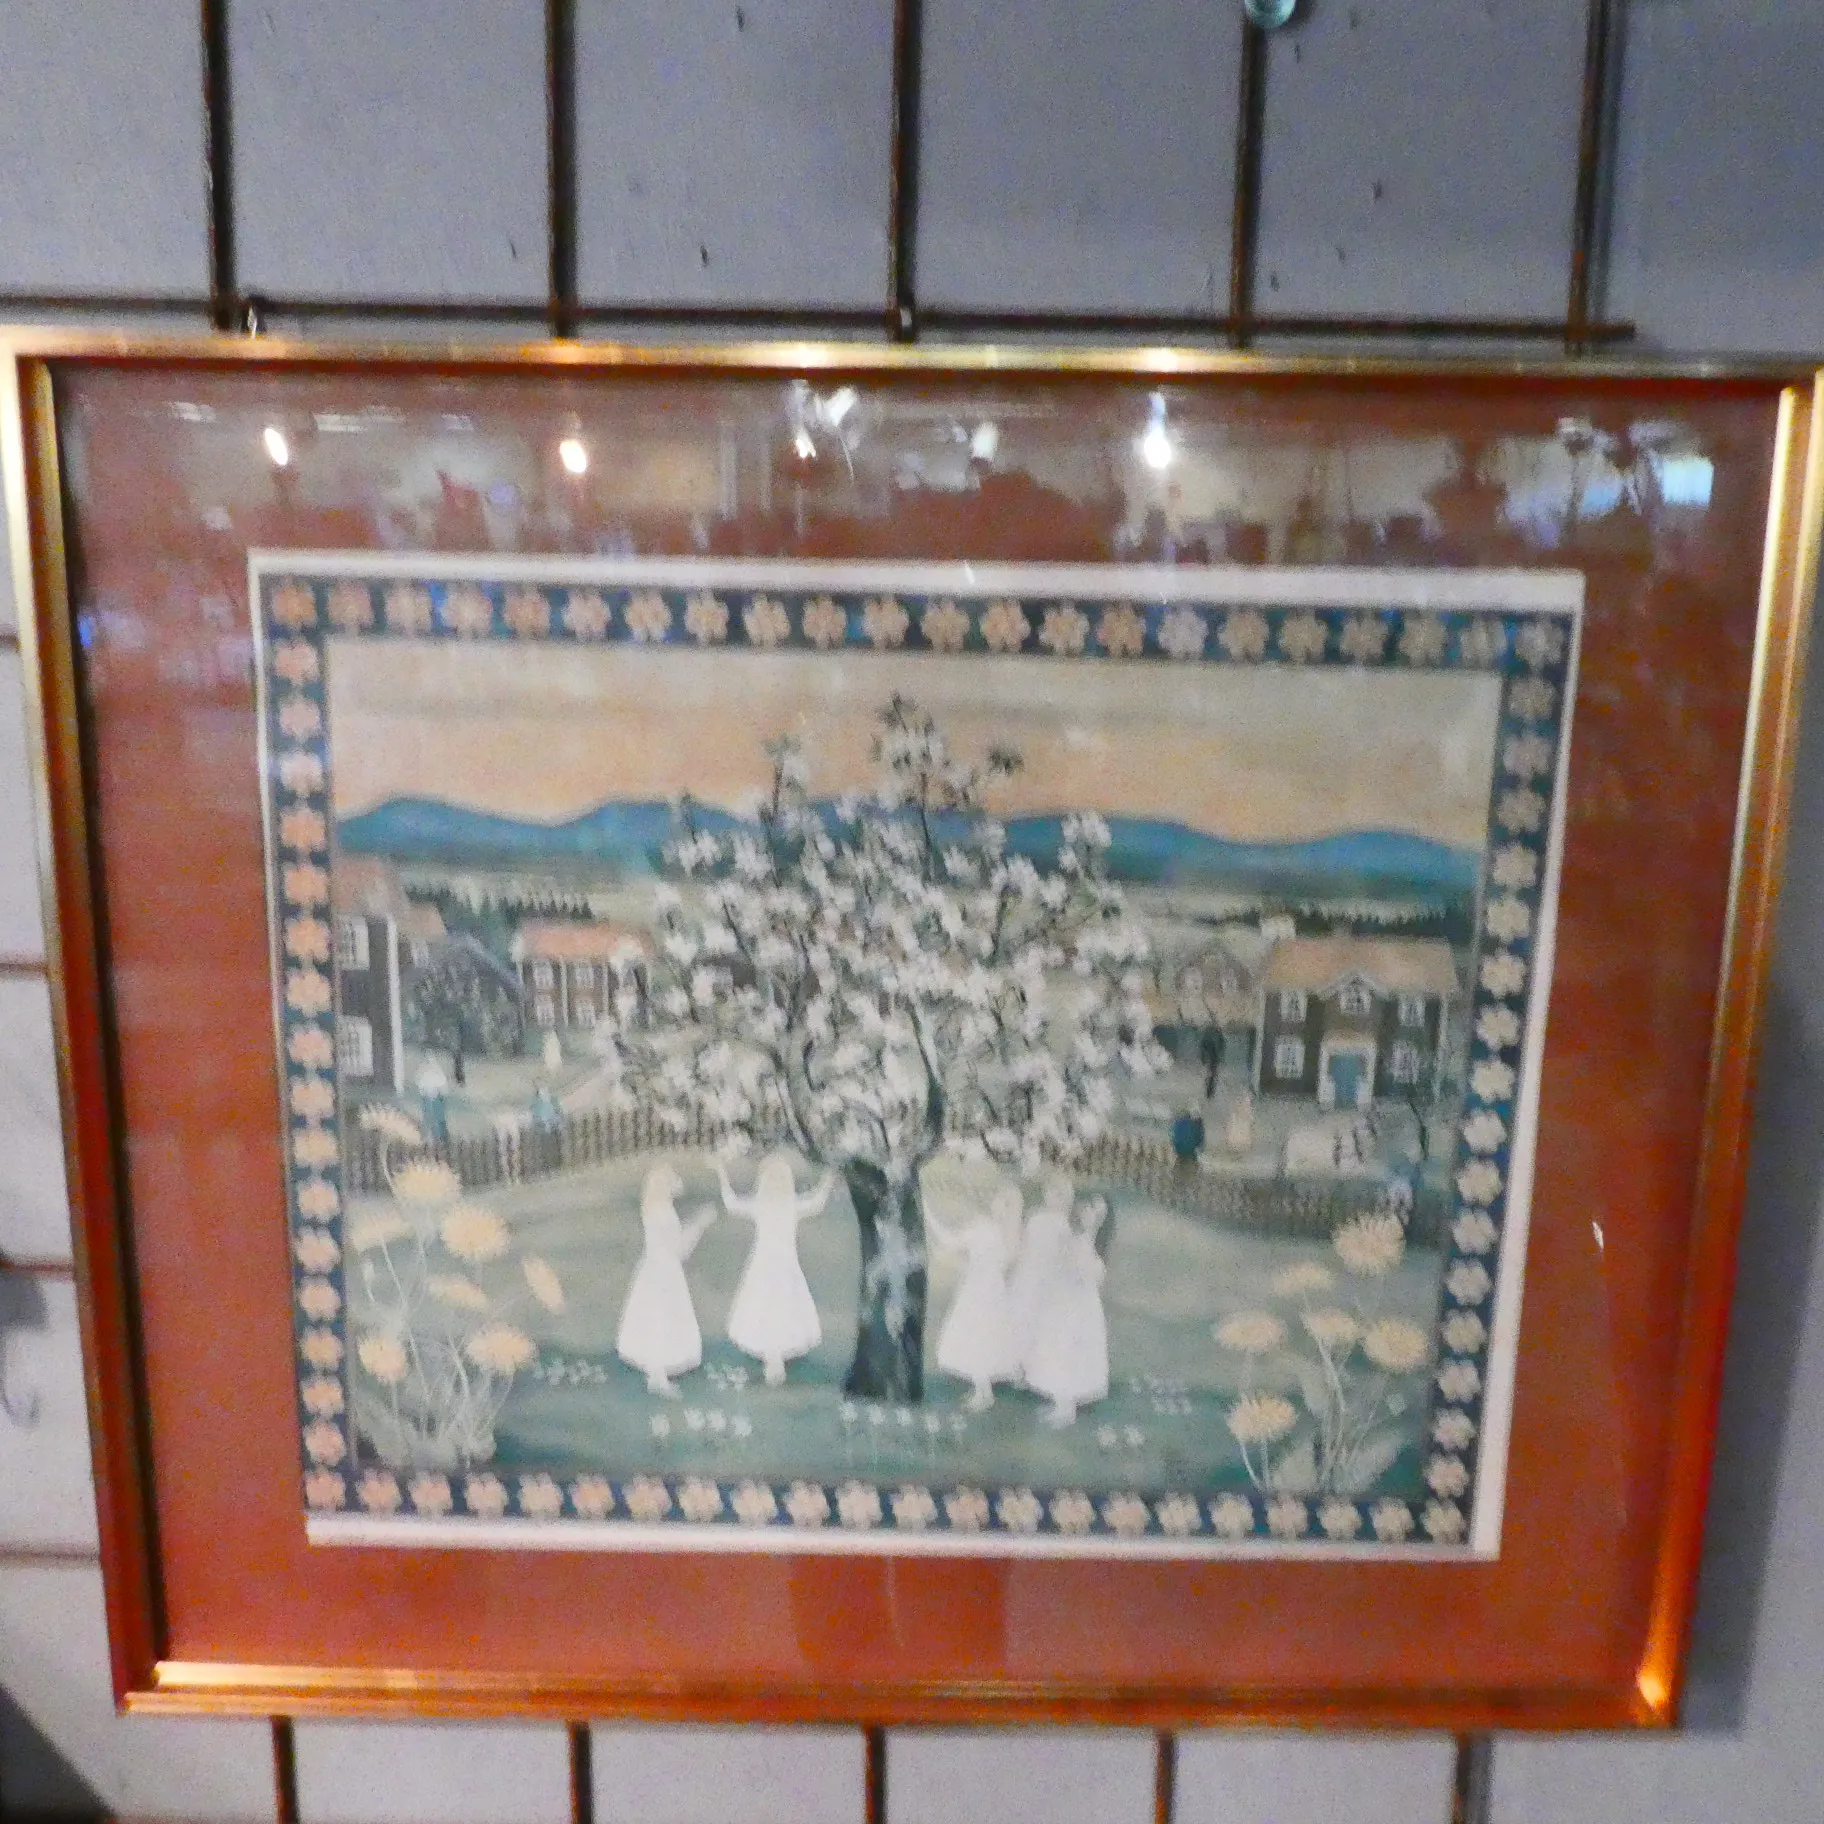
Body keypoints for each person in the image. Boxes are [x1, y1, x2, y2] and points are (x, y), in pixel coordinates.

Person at [717, 1152, 836, 1385]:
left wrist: (828, 1178)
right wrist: (721, 1173)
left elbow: (816, 1202)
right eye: (772, 1178)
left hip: (785, 1265)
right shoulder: (760, 1205)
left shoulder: (791, 1205)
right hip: (763, 1264)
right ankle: (772, 1358)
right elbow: (732, 1203)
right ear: (764, 1181)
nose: (777, 1182)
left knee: (784, 1307)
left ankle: (777, 1358)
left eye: (781, 1178)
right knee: (764, 1306)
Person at [615, 1165, 717, 1395]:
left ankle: (657, 1374)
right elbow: (679, 1248)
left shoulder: (653, 1207)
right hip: (664, 1271)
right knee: (663, 1319)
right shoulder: (662, 1210)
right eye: (673, 1181)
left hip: (655, 1268)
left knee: (658, 1319)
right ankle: (659, 1376)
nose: (678, 1184)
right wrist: (700, 1223)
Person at [928, 1184, 1024, 1411]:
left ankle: (984, 1392)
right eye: (997, 1200)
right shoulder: (1005, 1234)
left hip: (982, 1291)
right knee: (981, 1336)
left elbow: (950, 1241)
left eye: (1003, 1202)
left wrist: (929, 1217)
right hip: (988, 1289)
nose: (996, 1205)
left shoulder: (988, 1229)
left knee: (979, 1336)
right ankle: (982, 1390)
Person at [1024, 1196, 1111, 1428]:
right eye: (1087, 1207)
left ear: (1101, 1219)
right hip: (1061, 1301)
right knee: (1055, 1349)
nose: (1088, 1213)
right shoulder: (1071, 1237)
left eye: (1096, 1211)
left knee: (1070, 1351)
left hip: (1079, 1308)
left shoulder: (1091, 1244)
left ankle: (1067, 1409)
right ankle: (1059, 1402)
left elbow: (1091, 1275)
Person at [1007, 1171, 1073, 1377]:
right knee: (1020, 1315)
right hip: (1027, 1272)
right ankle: (1015, 1364)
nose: (1053, 1198)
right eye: (1050, 1193)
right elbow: (1024, 1242)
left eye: (1059, 1195)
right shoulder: (1035, 1216)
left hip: (1046, 1276)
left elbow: (1063, 1253)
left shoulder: (1062, 1224)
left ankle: (1034, 1367)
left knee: (1039, 1320)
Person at [415, 1056, 449, 1145]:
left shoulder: (437, 1073)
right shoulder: (425, 1074)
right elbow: (421, 1087)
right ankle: (429, 1138)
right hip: (428, 1098)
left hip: (436, 1099)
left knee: (438, 1119)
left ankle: (440, 1138)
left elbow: (443, 1087)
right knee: (429, 1119)